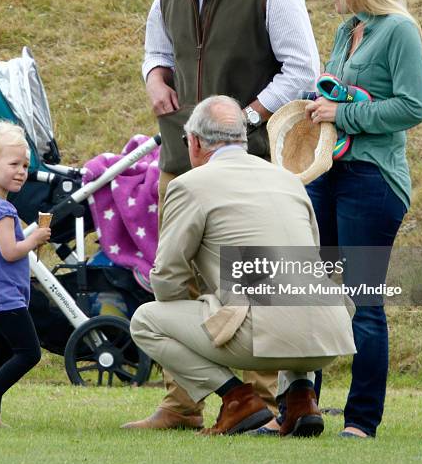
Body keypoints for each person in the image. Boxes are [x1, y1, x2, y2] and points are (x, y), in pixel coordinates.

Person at [127, 0, 321, 430]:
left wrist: (251, 115)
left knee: (248, 282)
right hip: (182, 158)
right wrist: (155, 80)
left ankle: (253, 398)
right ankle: (183, 404)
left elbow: (302, 68)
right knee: (183, 280)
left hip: (250, 162)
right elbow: (156, 50)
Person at [130, 96, 356, 436]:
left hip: (263, 340)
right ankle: (301, 398)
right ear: (243, 139)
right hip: (330, 334)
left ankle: (237, 399)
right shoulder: (289, 180)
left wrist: (199, 310)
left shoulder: (189, 185)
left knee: (146, 320)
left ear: (194, 142)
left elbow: (167, 275)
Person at [304, 0, 422, 438]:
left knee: (363, 300)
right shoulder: (346, 29)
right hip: (326, 174)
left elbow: (412, 107)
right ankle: (301, 406)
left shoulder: (399, 31)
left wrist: (344, 113)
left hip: (372, 181)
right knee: (304, 292)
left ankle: (360, 421)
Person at [0, 122, 51, 428]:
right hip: (4, 296)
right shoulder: (2, 210)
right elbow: (10, 251)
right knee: (29, 353)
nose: (21, 171)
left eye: (25, 165)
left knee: (1, 356)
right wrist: (35, 239)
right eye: (14, 164)